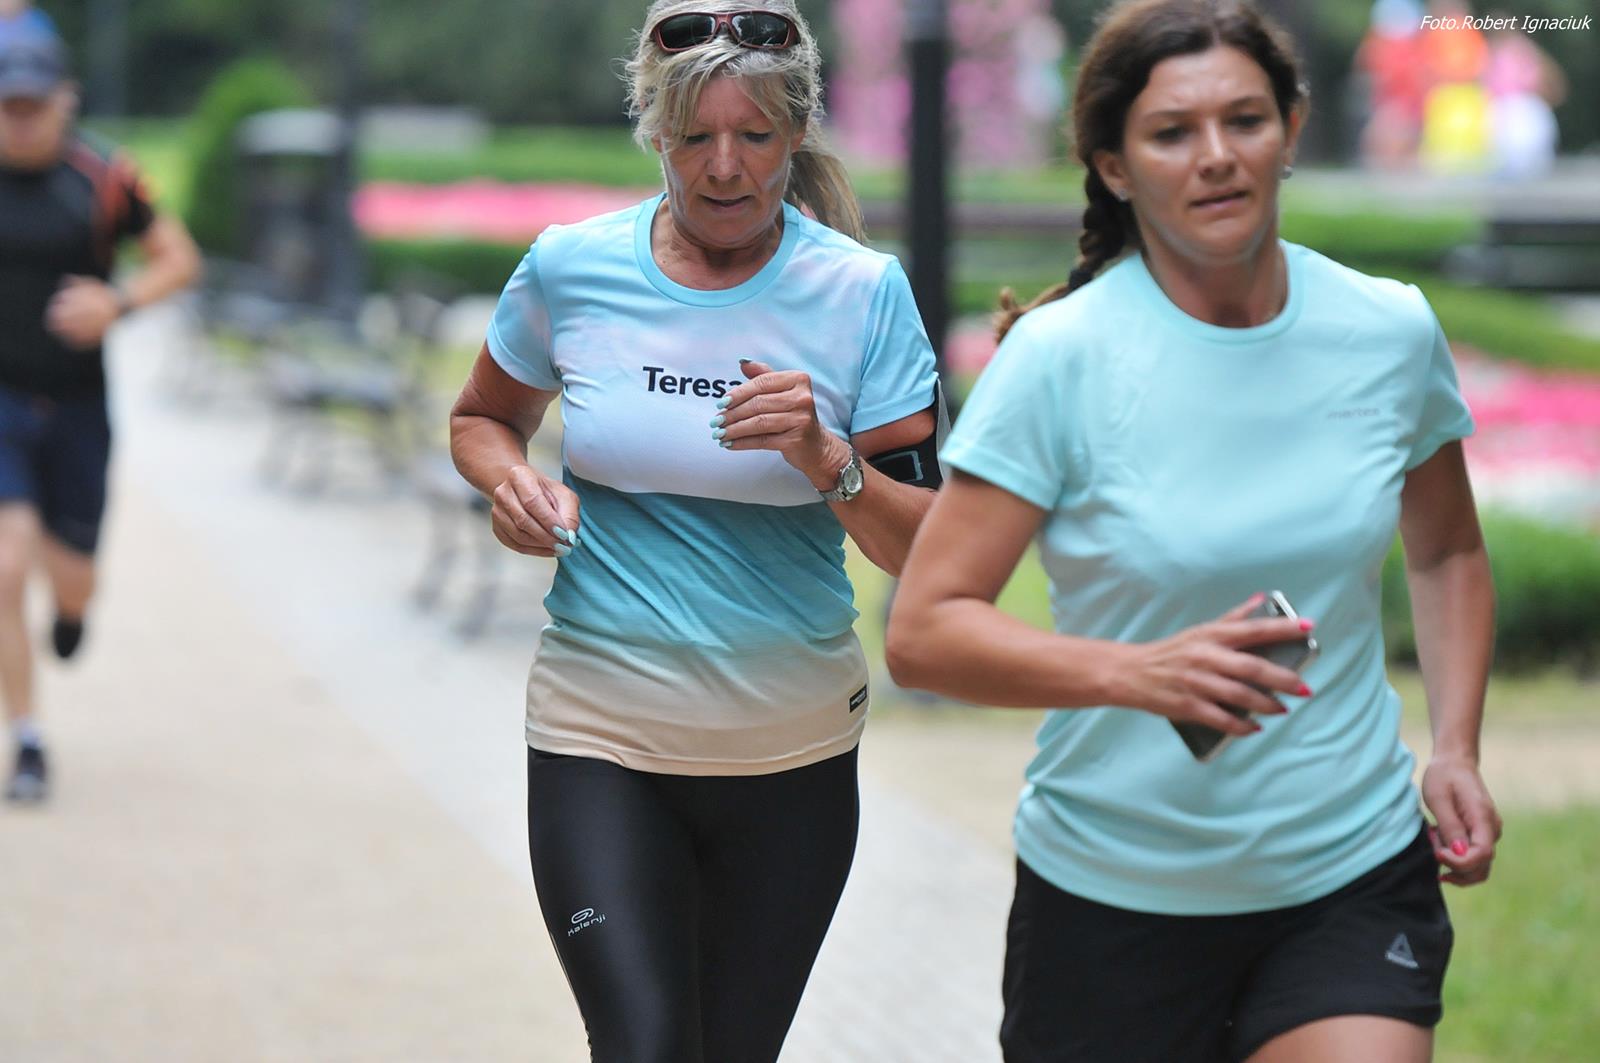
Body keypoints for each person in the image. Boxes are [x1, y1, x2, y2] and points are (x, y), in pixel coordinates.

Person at [885, 2, 1499, 1061]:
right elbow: (925, 630)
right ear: (1115, 168)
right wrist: (1140, 673)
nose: (1216, 155)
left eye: (1244, 120)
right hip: (1110, 893)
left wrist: (1455, 747)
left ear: (1291, 130)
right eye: (1172, 132)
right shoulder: (1059, 360)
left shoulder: (1386, 329)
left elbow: (1445, 548)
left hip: (1348, 871)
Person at [447, 3, 942, 1059]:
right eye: (693, 137)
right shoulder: (570, 267)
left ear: (796, 131)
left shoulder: (861, 294)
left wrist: (826, 456)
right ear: (653, 132)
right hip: (600, 738)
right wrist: (512, 483)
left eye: (754, 135)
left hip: (793, 755)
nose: (724, 166)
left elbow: (923, 547)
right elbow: (482, 417)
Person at [1, 24, 201, 802]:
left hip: (79, 406)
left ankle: (72, 611)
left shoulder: (106, 177)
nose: (20, 120)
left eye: (33, 105)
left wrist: (116, 302)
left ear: (65, 101)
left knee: (72, 582)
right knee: (6, 565)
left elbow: (179, 259)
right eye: (8, 106)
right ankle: (27, 739)